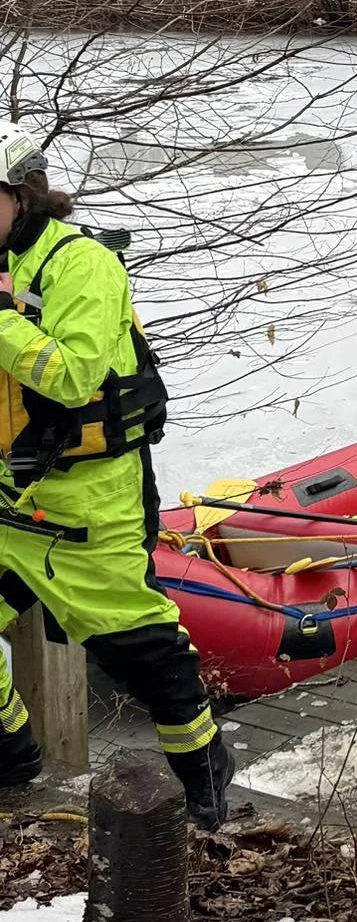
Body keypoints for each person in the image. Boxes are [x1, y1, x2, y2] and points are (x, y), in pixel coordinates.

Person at [0, 123, 234, 826]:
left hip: (90, 500)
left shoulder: (82, 265)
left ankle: (204, 777)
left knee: (141, 652)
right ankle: (12, 762)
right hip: (10, 491)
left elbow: (74, 377)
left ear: (21, 195)